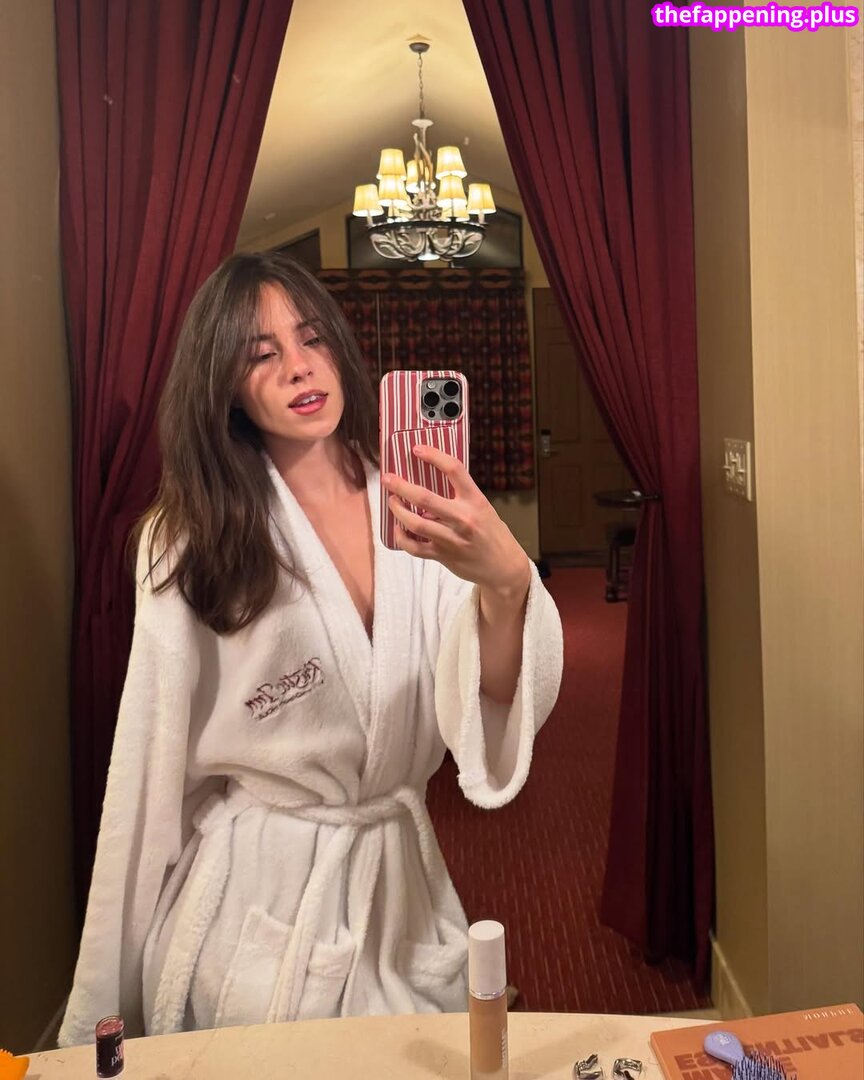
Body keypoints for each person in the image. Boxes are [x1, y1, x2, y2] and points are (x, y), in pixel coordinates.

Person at [59, 252, 563, 1045]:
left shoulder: (414, 508)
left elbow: (494, 695)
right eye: (261, 354)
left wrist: (504, 582)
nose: (299, 367)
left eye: (312, 338)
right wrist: (104, 1001)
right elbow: (146, 770)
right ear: (223, 386)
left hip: (396, 885)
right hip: (258, 901)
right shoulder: (188, 539)